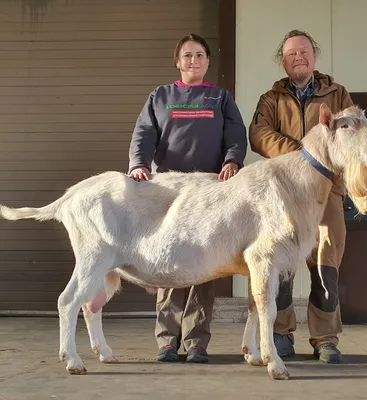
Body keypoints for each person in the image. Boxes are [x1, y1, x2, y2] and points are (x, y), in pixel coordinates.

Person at [128, 33, 247, 363]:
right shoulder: (161, 96)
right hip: (168, 192)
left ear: (208, 62)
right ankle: (167, 339)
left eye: (199, 55)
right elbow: (144, 134)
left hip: (208, 194)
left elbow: (235, 136)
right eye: (187, 56)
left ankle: (196, 341)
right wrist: (139, 164)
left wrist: (232, 161)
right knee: (166, 260)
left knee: (202, 264)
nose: (193, 61)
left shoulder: (220, 98)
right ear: (177, 62)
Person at [249, 29, 354, 364]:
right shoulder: (271, 99)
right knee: (280, 266)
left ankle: (325, 338)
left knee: (326, 268)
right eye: (292, 53)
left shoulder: (338, 95)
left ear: (315, 55)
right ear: (283, 60)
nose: (299, 57)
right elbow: (259, 134)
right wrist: (304, 155)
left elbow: (353, 134)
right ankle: (280, 333)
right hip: (284, 195)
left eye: (304, 51)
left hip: (328, 195)